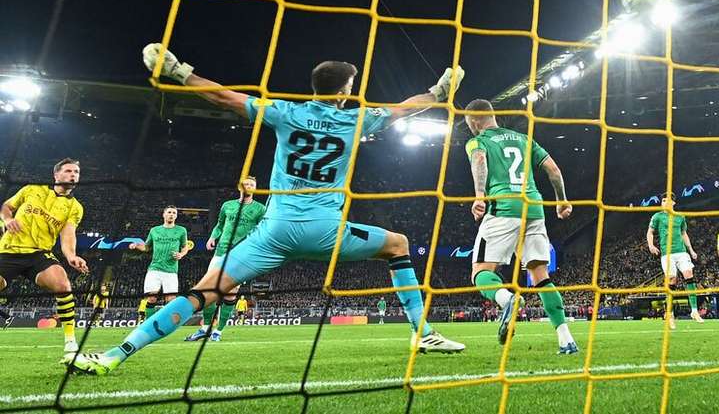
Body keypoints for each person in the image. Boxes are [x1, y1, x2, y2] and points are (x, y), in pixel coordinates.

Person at [69, 44, 466, 375]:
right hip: (327, 232)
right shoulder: (355, 119)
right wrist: (438, 92)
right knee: (398, 244)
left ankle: (113, 355)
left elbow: (223, 96)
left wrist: (177, 71)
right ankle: (423, 332)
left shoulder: (285, 112)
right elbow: (404, 108)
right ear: (346, 90)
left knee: (203, 292)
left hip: (274, 233)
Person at [463, 99, 578, 354]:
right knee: (541, 277)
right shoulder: (524, 139)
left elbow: (479, 160)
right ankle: (566, 339)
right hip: (534, 209)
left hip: (503, 208)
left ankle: (507, 300)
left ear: (474, 121)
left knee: (480, 272)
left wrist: (480, 195)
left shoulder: (478, 141)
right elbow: (553, 169)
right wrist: (561, 201)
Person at [0, 158, 88, 358]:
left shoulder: (75, 207)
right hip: (9, 250)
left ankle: (70, 341)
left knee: (63, 284)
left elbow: (68, 235)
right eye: (68, 171)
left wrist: (71, 256)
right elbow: (6, 206)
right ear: (56, 175)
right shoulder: (32, 189)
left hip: (39, 254)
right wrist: (7, 219)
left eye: (76, 172)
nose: (73, 175)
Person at [185, 177, 265, 342]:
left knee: (230, 294)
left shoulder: (260, 209)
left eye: (252, 185)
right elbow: (220, 225)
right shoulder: (227, 205)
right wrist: (213, 237)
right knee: (208, 290)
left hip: (241, 255)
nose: (248, 186)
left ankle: (218, 331)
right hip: (221, 251)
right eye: (246, 184)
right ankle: (205, 328)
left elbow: (262, 231)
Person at [646, 192, 702, 329]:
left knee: (689, 275)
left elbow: (684, 234)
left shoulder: (680, 217)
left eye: (667, 200)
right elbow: (650, 232)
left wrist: (691, 250)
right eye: (663, 200)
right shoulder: (657, 216)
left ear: (674, 203)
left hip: (681, 252)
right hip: (667, 254)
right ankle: (669, 314)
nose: (664, 202)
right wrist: (651, 245)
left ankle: (694, 311)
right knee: (672, 280)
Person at [128, 206, 189, 320]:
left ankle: (166, 324)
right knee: (151, 298)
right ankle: (149, 323)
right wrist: (136, 245)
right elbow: (146, 247)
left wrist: (181, 254)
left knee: (171, 300)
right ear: (164, 214)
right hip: (154, 269)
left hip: (171, 270)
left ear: (176, 216)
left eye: (174, 213)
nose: (171, 214)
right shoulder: (154, 230)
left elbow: (185, 247)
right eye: (169, 212)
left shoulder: (181, 230)